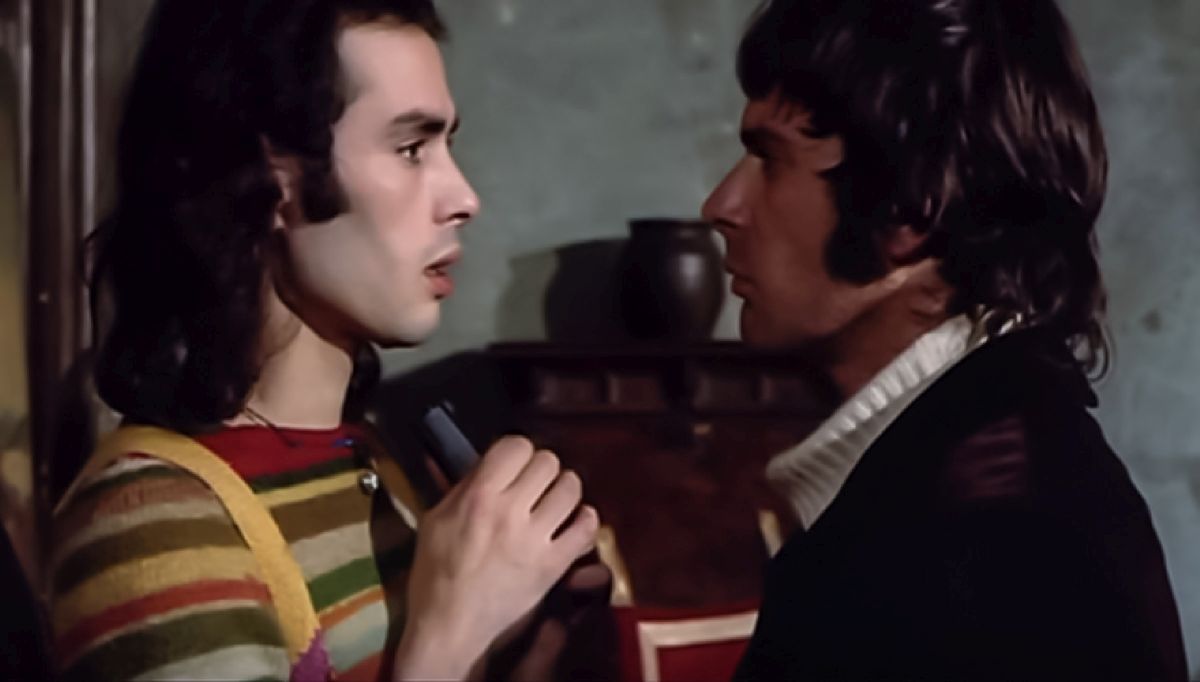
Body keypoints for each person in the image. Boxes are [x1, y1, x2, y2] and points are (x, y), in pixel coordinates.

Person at [49, 1, 599, 680]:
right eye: (410, 149)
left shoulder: (368, 462)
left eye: (447, 146)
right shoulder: (148, 526)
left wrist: (526, 646)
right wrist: (451, 635)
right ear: (274, 178)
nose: (464, 197)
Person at [701, 0, 1188, 679]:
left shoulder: (981, 533)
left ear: (909, 208)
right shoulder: (960, 471)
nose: (721, 206)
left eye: (769, 159)